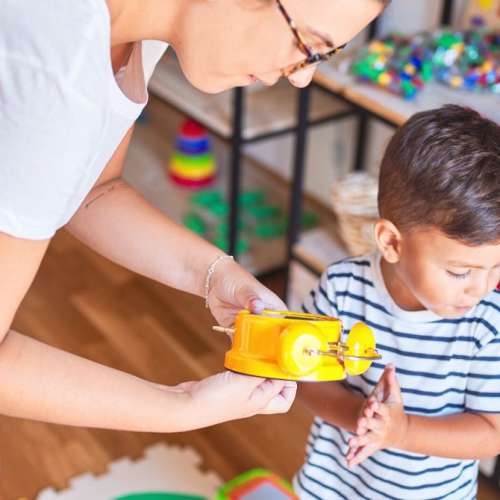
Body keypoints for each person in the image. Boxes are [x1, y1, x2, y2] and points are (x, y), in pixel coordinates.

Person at [0, 0, 386, 433]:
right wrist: (179, 406)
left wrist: (215, 273)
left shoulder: (136, 31)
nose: (301, 77)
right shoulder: (58, 77)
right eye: (308, 45)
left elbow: (94, 190)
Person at [295, 105, 500, 499]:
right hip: (333, 486)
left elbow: (490, 433)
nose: (481, 289)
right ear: (391, 242)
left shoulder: (487, 323)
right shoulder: (342, 286)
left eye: (495, 268)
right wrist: (360, 417)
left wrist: (401, 431)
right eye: (461, 272)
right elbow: (306, 378)